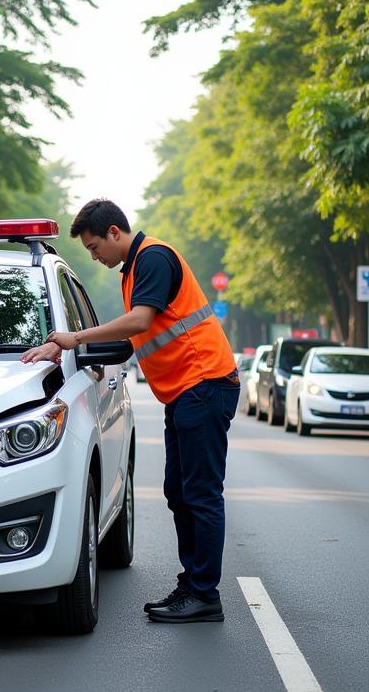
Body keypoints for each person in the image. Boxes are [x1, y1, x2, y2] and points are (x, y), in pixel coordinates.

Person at [22, 199, 238, 623]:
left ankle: (205, 593)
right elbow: (130, 342)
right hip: (186, 392)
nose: (94, 256)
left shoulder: (153, 258)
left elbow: (139, 323)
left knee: (200, 494)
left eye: (93, 246)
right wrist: (68, 346)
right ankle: (193, 584)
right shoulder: (135, 269)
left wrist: (73, 336)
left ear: (114, 233)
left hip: (204, 384)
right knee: (179, 492)